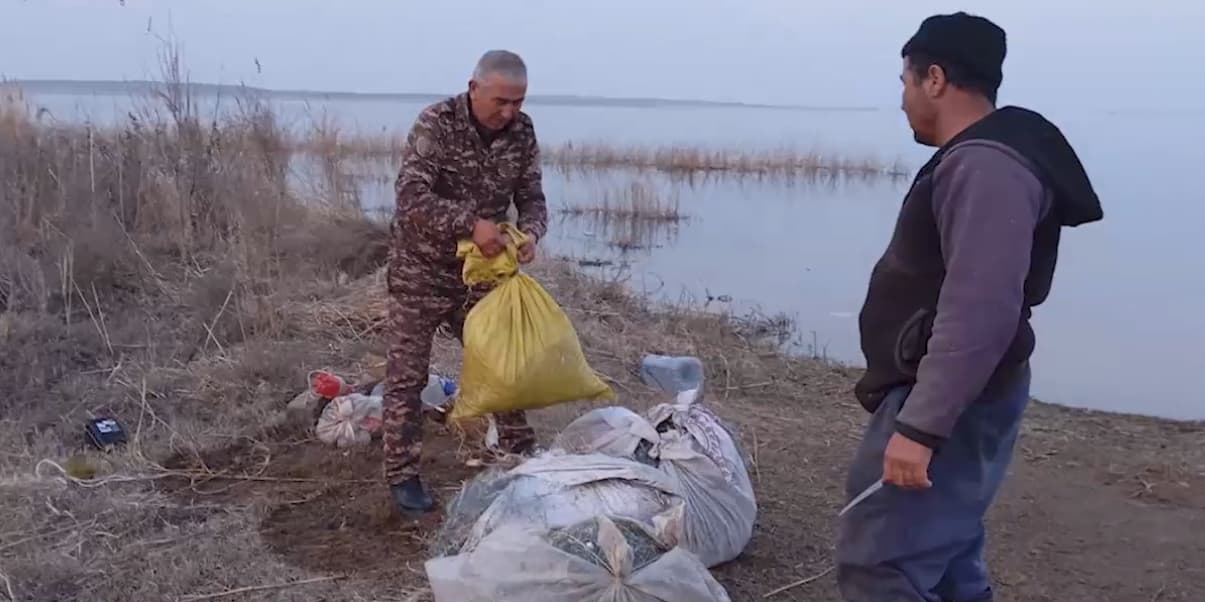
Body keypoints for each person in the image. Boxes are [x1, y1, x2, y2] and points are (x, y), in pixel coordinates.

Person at [837, 12, 1103, 601]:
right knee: (949, 553)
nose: (903, 100)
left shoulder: (987, 165)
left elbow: (981, 305)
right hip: (962, 391)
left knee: (882, 564)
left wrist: (921, 427)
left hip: (953, 398)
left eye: (905, 82)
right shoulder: (986, 157)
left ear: (934, 78)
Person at [383, 49, 547, 515]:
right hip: (421, 271)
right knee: (407, 375)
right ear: (474, 88)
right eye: (501, 101)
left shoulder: (523, 131)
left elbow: (532, 196)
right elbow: (410, 197)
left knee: (501, 363)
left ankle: (520, 452)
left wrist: (531, 233)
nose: (510, 112)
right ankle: (402, 474)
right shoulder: (436, 123)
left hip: (480, 275)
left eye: (518, 101)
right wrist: (470, 222)